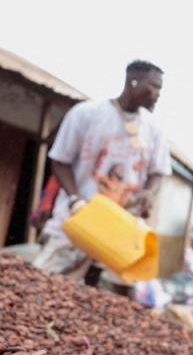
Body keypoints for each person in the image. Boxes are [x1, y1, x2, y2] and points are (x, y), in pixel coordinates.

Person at [33, 60, 171, 297]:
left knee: (114, 301)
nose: (157, 95)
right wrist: (75, 199)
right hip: (79, 221)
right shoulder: (87, 114)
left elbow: (158, 171)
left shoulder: (153, 130)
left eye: (160, 89)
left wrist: (148, 192)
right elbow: (60, 160)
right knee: (43, 289)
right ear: (133, 81)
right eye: (154, 87)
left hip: (121, 228)